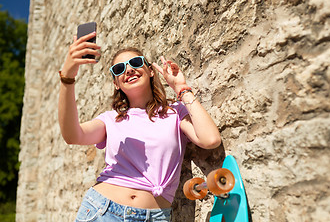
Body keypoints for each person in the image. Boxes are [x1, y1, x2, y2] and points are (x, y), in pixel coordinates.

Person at [58, 31, 221, 222]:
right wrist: (67, 79)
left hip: (155, 216)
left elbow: (210, 139)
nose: (128, 70)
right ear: (116, 83)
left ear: (151, 71)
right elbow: (72, 135)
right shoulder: (111, 119)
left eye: (135, 63)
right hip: (102, 210)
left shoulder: (175, 112)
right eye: (119, 69)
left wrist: (181, 87)